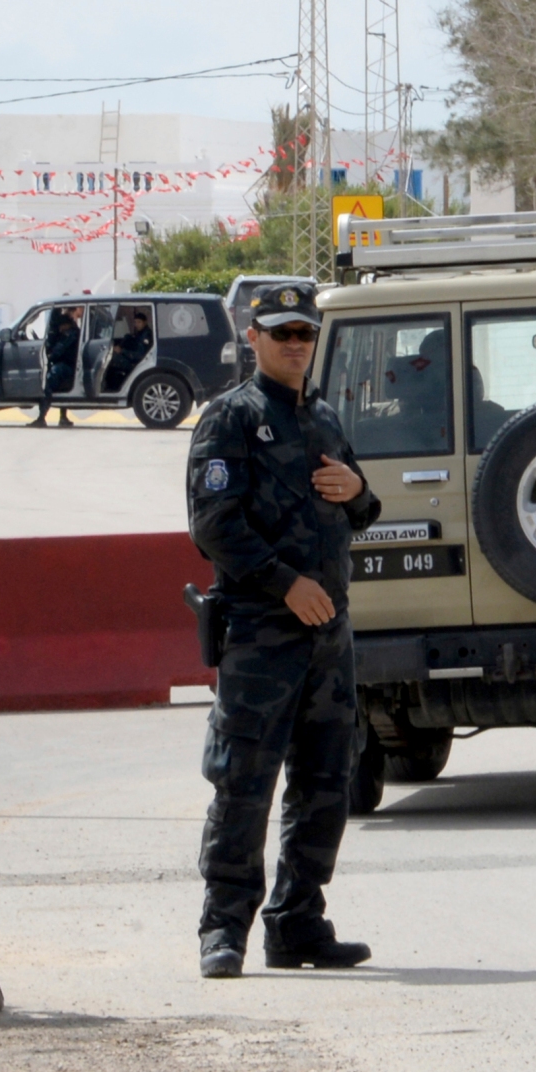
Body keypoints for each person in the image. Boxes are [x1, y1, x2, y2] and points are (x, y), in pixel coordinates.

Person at [186, 281, 380, 979]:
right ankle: (223, 929)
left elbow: (362, 500)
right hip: (264, 631)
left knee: (328, 779)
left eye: (305, 334)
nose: (296, 344)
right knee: (244, 781)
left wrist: (359, 494)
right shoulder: (230, 419)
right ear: (254, 337)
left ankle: (298, 922)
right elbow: (213, 524)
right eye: (283, 333)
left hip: (329, 636)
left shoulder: (323, 417)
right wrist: (284, 582)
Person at [31, 306, 82, 428]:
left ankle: (41, 417)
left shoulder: (70, 334)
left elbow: (58, 351)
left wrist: (48, 357)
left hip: (69, 367)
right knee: (58, 378)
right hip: (68, 365)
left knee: (50, 379)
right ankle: (63, 417)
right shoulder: (70, 332)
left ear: (64, 325)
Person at [103, 307, 155, 391]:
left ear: (145, 322)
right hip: (131, 358)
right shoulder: (140, 333)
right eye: (135, 322)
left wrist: (122, 351)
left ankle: (111, 387)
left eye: (139, 322)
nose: (136, 324)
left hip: (137, 363)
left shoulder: (146, 335)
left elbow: (139, 355)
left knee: (111, 359)